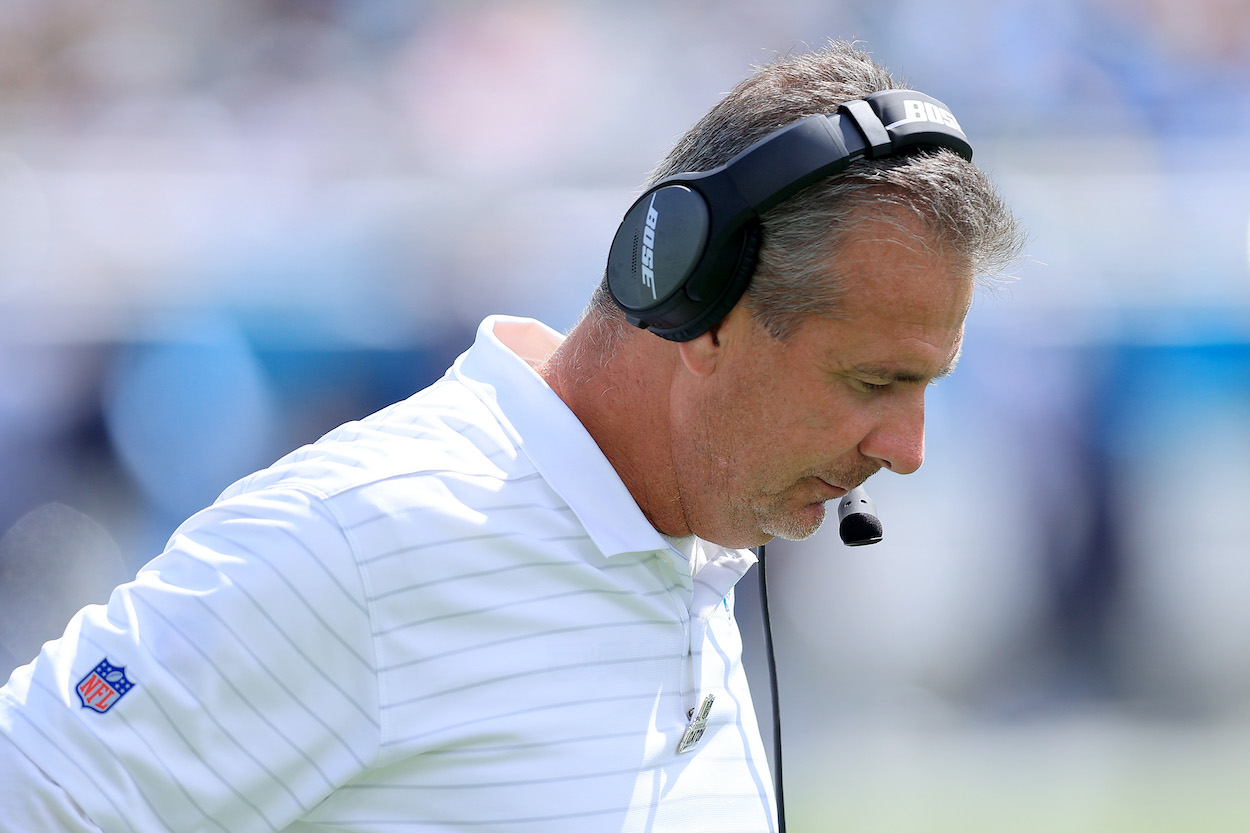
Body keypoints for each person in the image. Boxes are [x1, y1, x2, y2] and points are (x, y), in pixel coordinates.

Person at [0, 40, 1022, 832]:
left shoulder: (689, 541)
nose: (906, 446)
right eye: (873, 380)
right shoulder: (364, 534)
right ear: (701, 303)